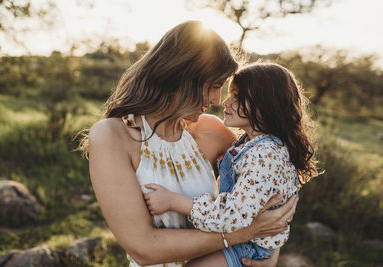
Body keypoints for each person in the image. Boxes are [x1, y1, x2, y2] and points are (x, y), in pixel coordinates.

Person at [79, 21, 298, 267]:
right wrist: (245, 234)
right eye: (214, 86)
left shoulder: (212, 130)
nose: (217, 100)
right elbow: (143, 247)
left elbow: (270, 178)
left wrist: (269, 252)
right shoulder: (113, 135)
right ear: (182, 77)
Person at [144, 62, 319, 266]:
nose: (225, 102)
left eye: (237, 96)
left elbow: (231, 217)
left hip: (245, 248)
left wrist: (173, 201)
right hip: (246, 241)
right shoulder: (255, 145)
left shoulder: (264, 156)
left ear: (265, 103)